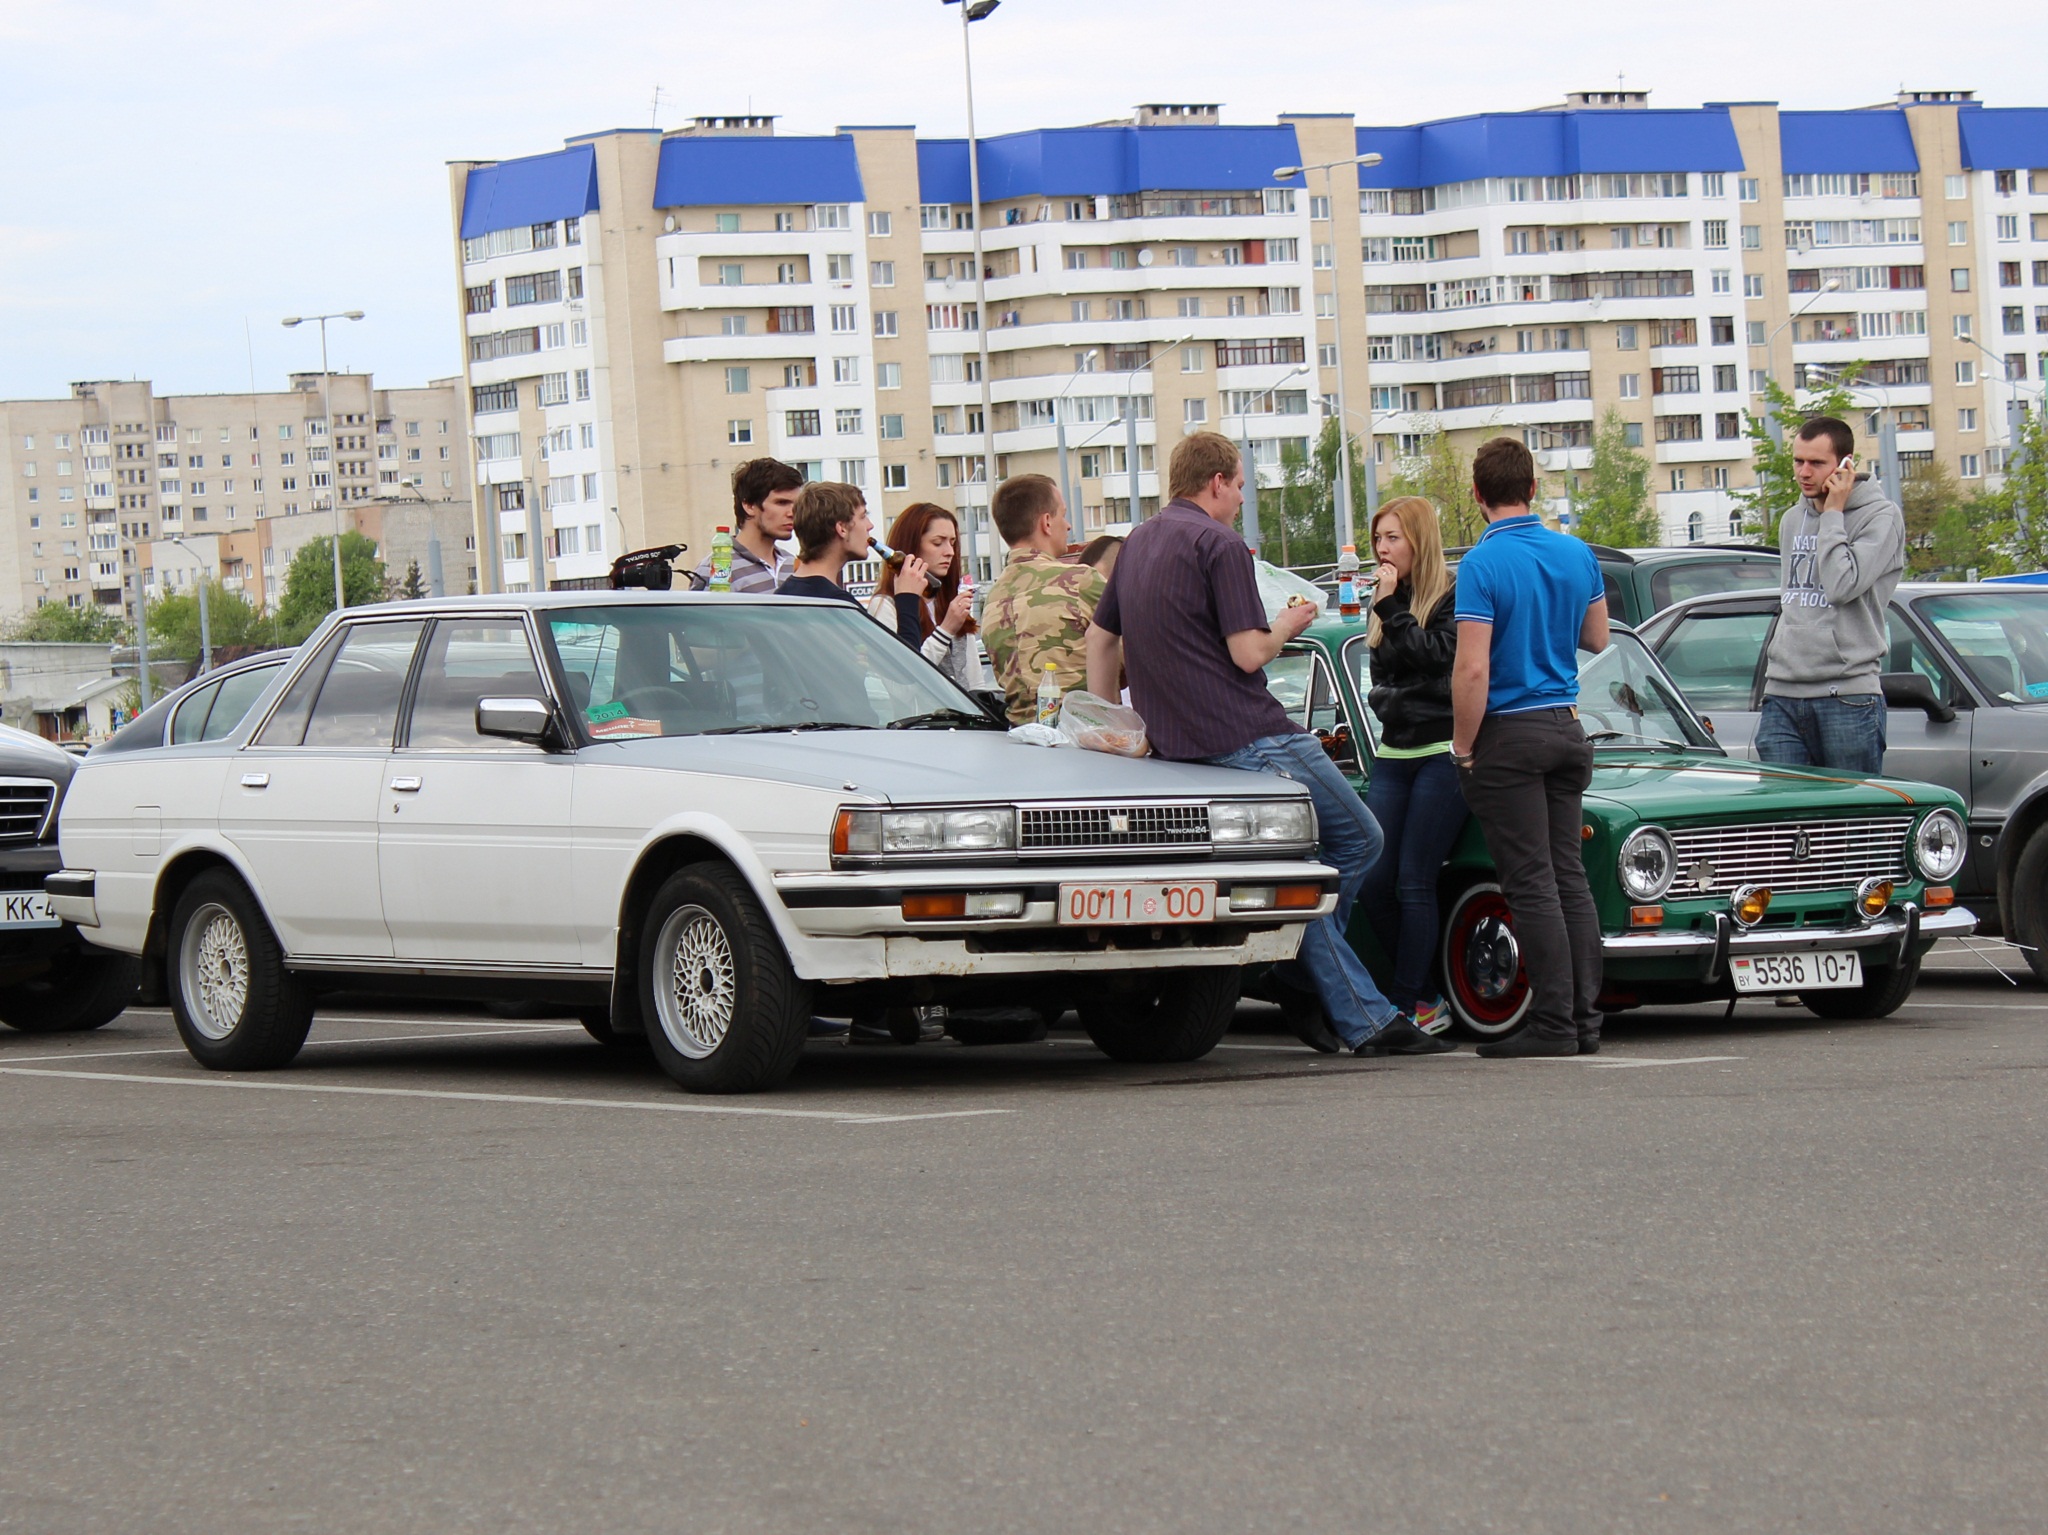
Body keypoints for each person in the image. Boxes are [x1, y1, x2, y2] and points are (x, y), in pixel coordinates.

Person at [1084, 432, 1450, 1058]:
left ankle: (1321, 982)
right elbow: (1248, 652)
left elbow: (1099, 640)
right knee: (1360, 840)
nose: (1239, 500)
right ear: (1219, 482)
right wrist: (1287, 622)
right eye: (1240, 487)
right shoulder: (1220, 544)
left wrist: (1116, 721)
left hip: (1176, 745)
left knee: (1292, 873)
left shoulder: (1138, 541)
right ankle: (1329, 990)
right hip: (1250, 734)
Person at [1449, 436, 1610, 1059]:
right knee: (1569, 878)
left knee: (1532, 883)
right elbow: (1596, 637)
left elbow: (1471, 671)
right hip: (1567, 727)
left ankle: (1549, 1025)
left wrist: (1464, 747)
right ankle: (1582, 1022)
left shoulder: (1482, 567)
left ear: (1477, 495)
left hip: (1509, 734)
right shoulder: (1576, 552)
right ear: (1534, 489)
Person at [1358, 495, 1467, 1037]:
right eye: (1378, 539)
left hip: (1441, 752)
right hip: (1394, 750)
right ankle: (1424, 993)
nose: (1383, 549)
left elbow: (1435, 655)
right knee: (1374, 880)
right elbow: (1386, 676)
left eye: (1393, 538)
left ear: (1417, 541)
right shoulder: (1387, 604)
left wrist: (1393, 610)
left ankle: (1408, 1005)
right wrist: (1390, 611)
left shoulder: (1451, 594)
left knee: (1415, 880)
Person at [1756, 416, 1907, 774]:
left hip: (1847, 695)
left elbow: (1842, 586)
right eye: (1798, 461)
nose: (1804, 472)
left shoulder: (1881, 517)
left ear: (1845, 465)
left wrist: (1833, 514)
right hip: (1783, 692)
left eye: (1816, 463)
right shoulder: (1793, 519)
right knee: (1783, 818)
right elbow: (1792, 597)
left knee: (1852, 822)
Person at [981, 474, 1107, 724]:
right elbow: (1131, 655)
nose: (1068, 525)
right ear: (1047, 522)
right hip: (1083, 740)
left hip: (1020, 740)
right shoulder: (1080, 581)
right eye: (1062, 514)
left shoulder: (992, 599)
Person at [865, 503, 985, 692]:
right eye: (938, 543)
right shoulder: (886, 606)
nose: (949, 552)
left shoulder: (948, 600)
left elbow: (974, 681)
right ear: (910, 547)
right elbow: (903, 687)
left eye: (952, 543)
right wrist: (945, 630)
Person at [692, 458, 801, 592]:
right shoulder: (718, 567)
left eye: (796, 505)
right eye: (781, 503)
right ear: (749, 506)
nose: (792, 513)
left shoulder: (793, 565)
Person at [775, 481, 874, 607]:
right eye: (863, 516)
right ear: (842, 528)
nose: (870, 526)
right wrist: (904, 595)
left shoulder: (780, 597)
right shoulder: (838, 604)